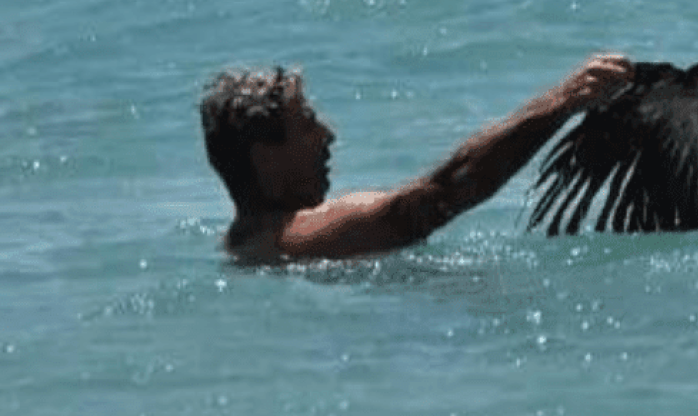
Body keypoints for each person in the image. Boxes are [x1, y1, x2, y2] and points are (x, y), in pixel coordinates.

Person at [200, 54, 632, 263]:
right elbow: (435, 199)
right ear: (266, 158)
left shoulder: (242, 243)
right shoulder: (296, 237)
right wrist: (557, 105)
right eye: (308, 123)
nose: (327, 135)